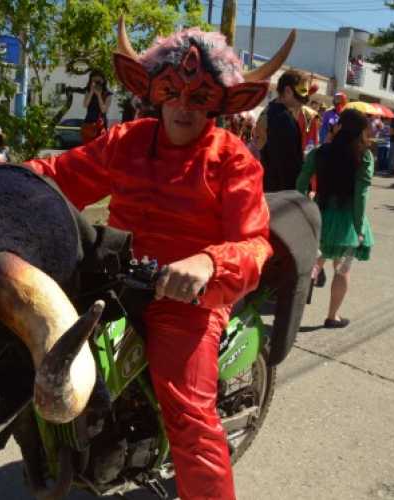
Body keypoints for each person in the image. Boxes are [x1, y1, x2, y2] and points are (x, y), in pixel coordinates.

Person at [27, 21, 294, 499]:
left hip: (187, 302)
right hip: (109, 280)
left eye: (200, 97)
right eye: (173, 92)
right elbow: (57, 177)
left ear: (220, 103)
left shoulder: (234, 160)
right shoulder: (126, 140)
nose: (183, 107)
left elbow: (255, 245)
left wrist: (208, 264)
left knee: (190, 418)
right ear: (153, 91)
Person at [296, 109, 374, 328]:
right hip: (347, 221)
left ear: (339, 126)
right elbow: (361, 194)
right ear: (361, 132)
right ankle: (332, 316)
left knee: (313, 265)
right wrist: (359, 227)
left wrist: (305, 205)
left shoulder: (319, 152)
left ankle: (293, 315)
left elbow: (301, 182)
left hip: (319, 216)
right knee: (342, 269)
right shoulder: (364, 156)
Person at [261, 70, 313, 192]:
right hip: (280, 192)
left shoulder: (269, 111)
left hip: (268, 186)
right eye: (300, 95)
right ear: (288, 91)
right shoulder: (283, 118)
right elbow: (287, 163)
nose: (303, 101)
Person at [81, 70, 113, 144]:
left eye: (98, 81)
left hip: (100, 124)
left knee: (100, 147)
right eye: (94, 81)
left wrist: (99, 95)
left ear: (103, 80)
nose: (97, 83)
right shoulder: (88, 91)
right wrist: (92, 91)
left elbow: (104, 110)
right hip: (89, 123)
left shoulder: (108, 94)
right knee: (88, 148)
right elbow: (85, 105)